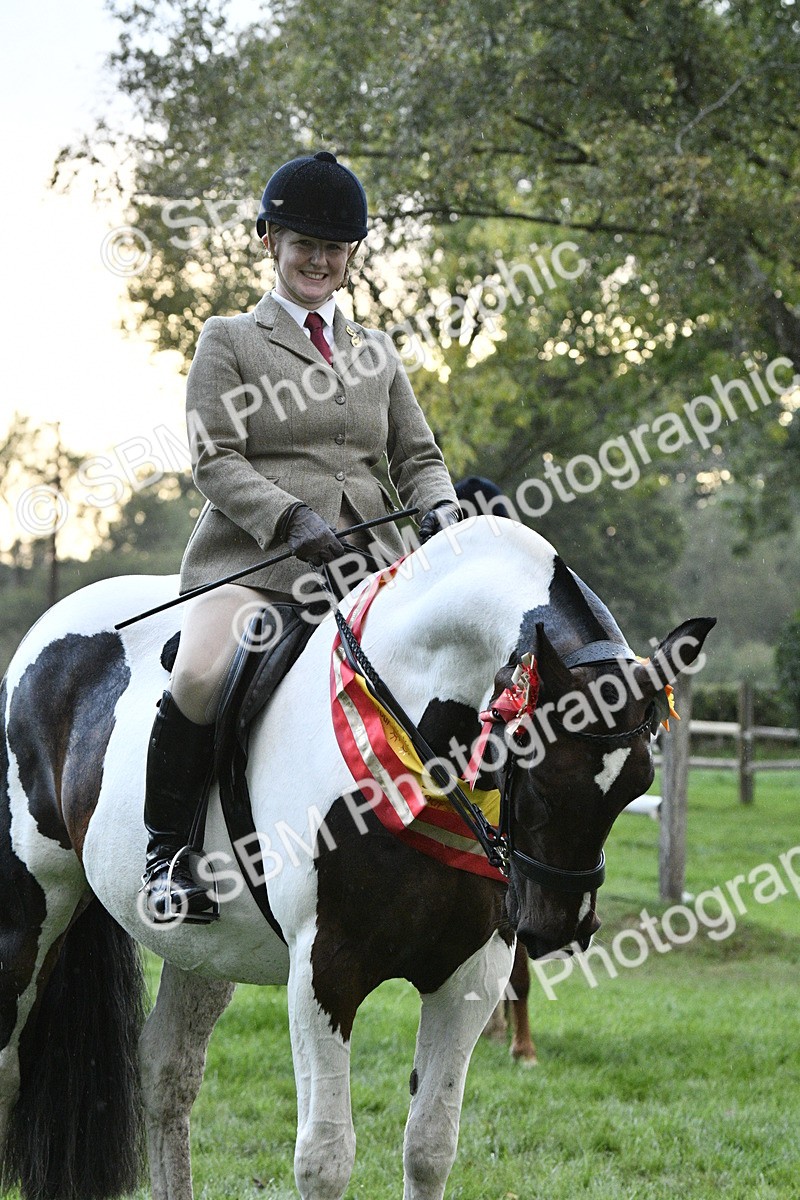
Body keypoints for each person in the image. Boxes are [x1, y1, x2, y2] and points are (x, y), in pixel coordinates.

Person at [141, 150, 461, 923]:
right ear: (269, 244)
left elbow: (415, 457)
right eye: (302, 245)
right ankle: (166, 854)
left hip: (365, 563)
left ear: (350, 256)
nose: (317, 260)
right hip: (253, 561)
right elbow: (213, 458)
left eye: (332, 248)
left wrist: (443, 510)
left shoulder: (374, 350)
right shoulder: (229, 339)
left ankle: (459, 852)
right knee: (200, 676)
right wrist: (290, 518)